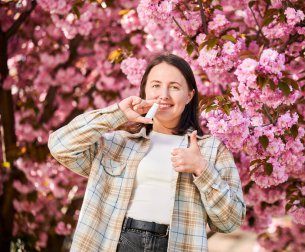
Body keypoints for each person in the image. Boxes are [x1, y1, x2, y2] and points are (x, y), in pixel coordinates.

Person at [48, 53, 246, 252]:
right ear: (144, 91)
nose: (164, 95)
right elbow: (60, 146)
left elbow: (229, 222)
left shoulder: (210, 150)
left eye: (174, 87)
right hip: (118, 242)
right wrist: (116, 113)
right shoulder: (117, 143)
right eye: (156, 85)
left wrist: (202, 169)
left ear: (189, 95)